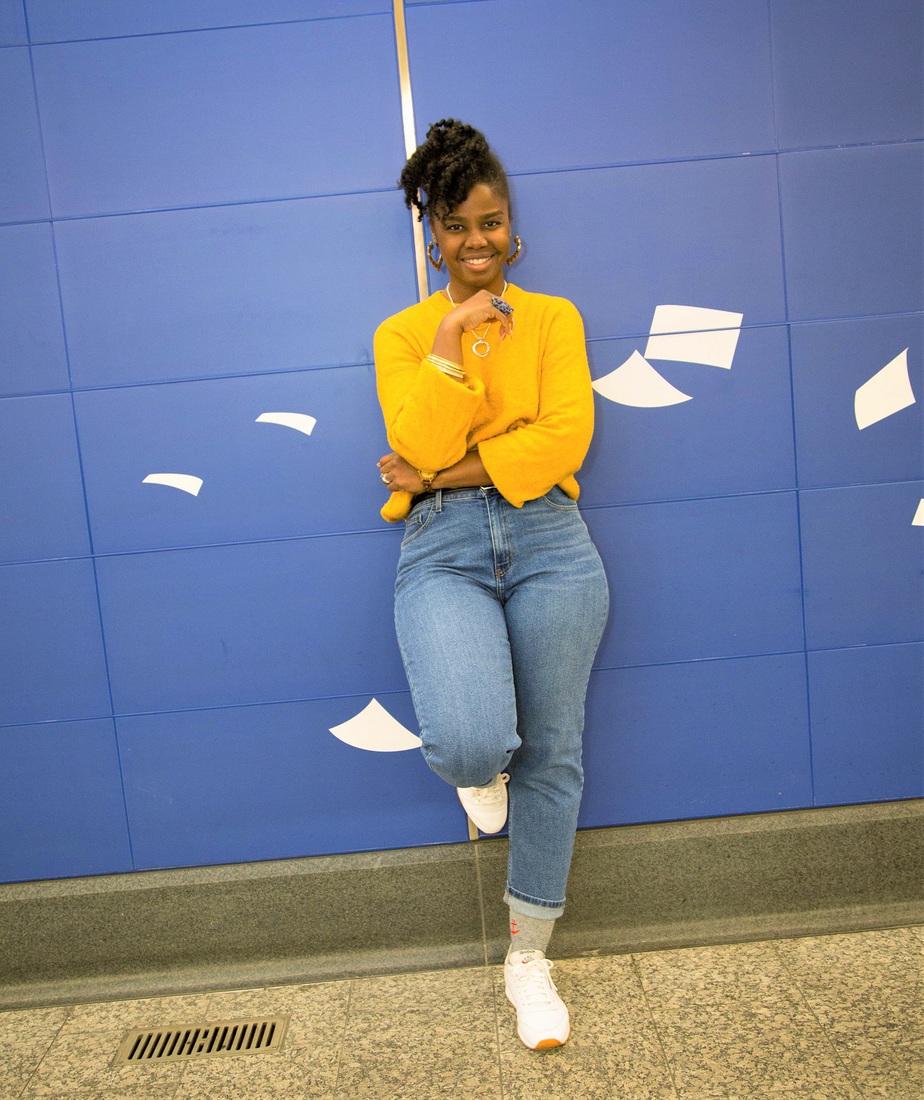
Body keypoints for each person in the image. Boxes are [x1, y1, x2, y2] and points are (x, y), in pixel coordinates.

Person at [374, 119, 609, 1050]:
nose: (479, 242)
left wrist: (434, 473)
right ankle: (479, 774)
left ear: (513, 228)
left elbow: (564, 440)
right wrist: (453, 340)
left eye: (494, 223)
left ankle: (529, 960)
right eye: (460, 225)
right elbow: (420, 436)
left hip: (552, 536)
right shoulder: (402, 334)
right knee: (474, 743)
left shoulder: (554, 319)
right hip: (441, 550)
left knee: (552, 756)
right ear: (433, 233)